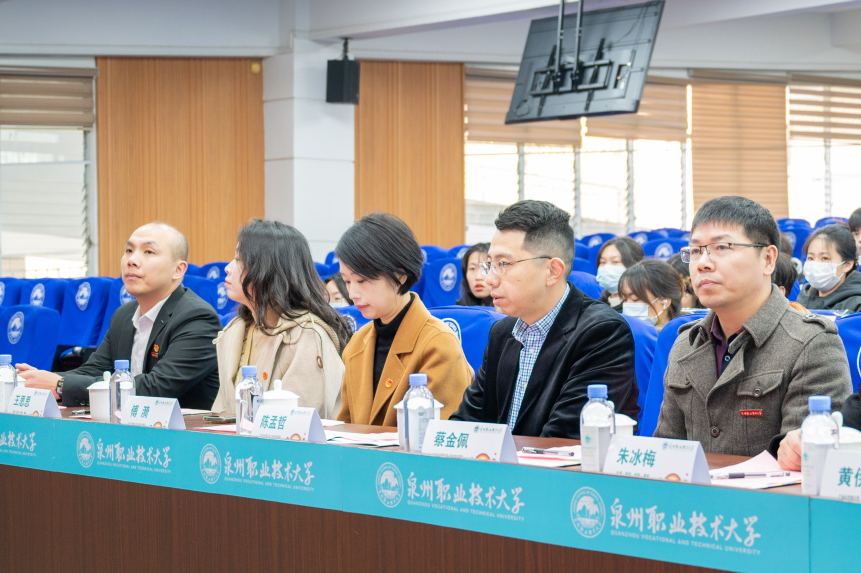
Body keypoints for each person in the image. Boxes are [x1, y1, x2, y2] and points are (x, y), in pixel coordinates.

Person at [654, 196, 852, 463]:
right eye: (696, 250)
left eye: (722, 247)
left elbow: (806, 466)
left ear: (768, 259)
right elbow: (665, 453)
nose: (703, 263)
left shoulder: (812, 344)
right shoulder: (685, 344)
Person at [451, 200, 639, 438]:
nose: (489, 279)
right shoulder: (502, 332)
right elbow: (466, 424)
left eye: (503, 264)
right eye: (491, 264)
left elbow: (563, 442)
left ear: (552, 271)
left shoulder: (603, 334)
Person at [18, 222, 221, 409]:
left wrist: (61, 385)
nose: (132, 260)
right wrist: (37, 380)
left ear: (178, 270)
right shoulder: (124, 315)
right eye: (129, 250)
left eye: (148, 252)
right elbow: (93, 371)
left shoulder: (197, 318)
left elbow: (156, 387)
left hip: (180, 433)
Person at [335, 213, 473, 426]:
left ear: (399, 275)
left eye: (361, 281)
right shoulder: (357, 343)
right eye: (346, 281)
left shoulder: (438, 344)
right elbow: (345, 427)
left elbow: (442, 433)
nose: (352, 293)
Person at [210, 220, 350, 419]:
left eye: (239, 260)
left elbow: (299, 422)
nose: (228, 268)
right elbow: (220, 412)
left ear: (268, 270)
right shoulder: (234, 331)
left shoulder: (308, 336)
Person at [796, 224, 861, 314]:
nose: (816, 264)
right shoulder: (802, 299)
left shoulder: (857, 306)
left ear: (847, 265)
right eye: (810, 258)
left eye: (825, 258)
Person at [618, 260, 682, 332]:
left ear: (665, 302)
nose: (628, 305)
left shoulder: (681, 336)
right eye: (624, 299)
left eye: (635, 299)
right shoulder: (623, 335)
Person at [596, 237, 644, 312]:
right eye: (602, 262)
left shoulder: (639, 307)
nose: (606, 267)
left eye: (615, 262)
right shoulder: (595, 306)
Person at [456, 242, 493, 307]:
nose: (478, 277)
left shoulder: (509, 311)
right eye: (472, 269)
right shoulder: (460, 309)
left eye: (485, 268)